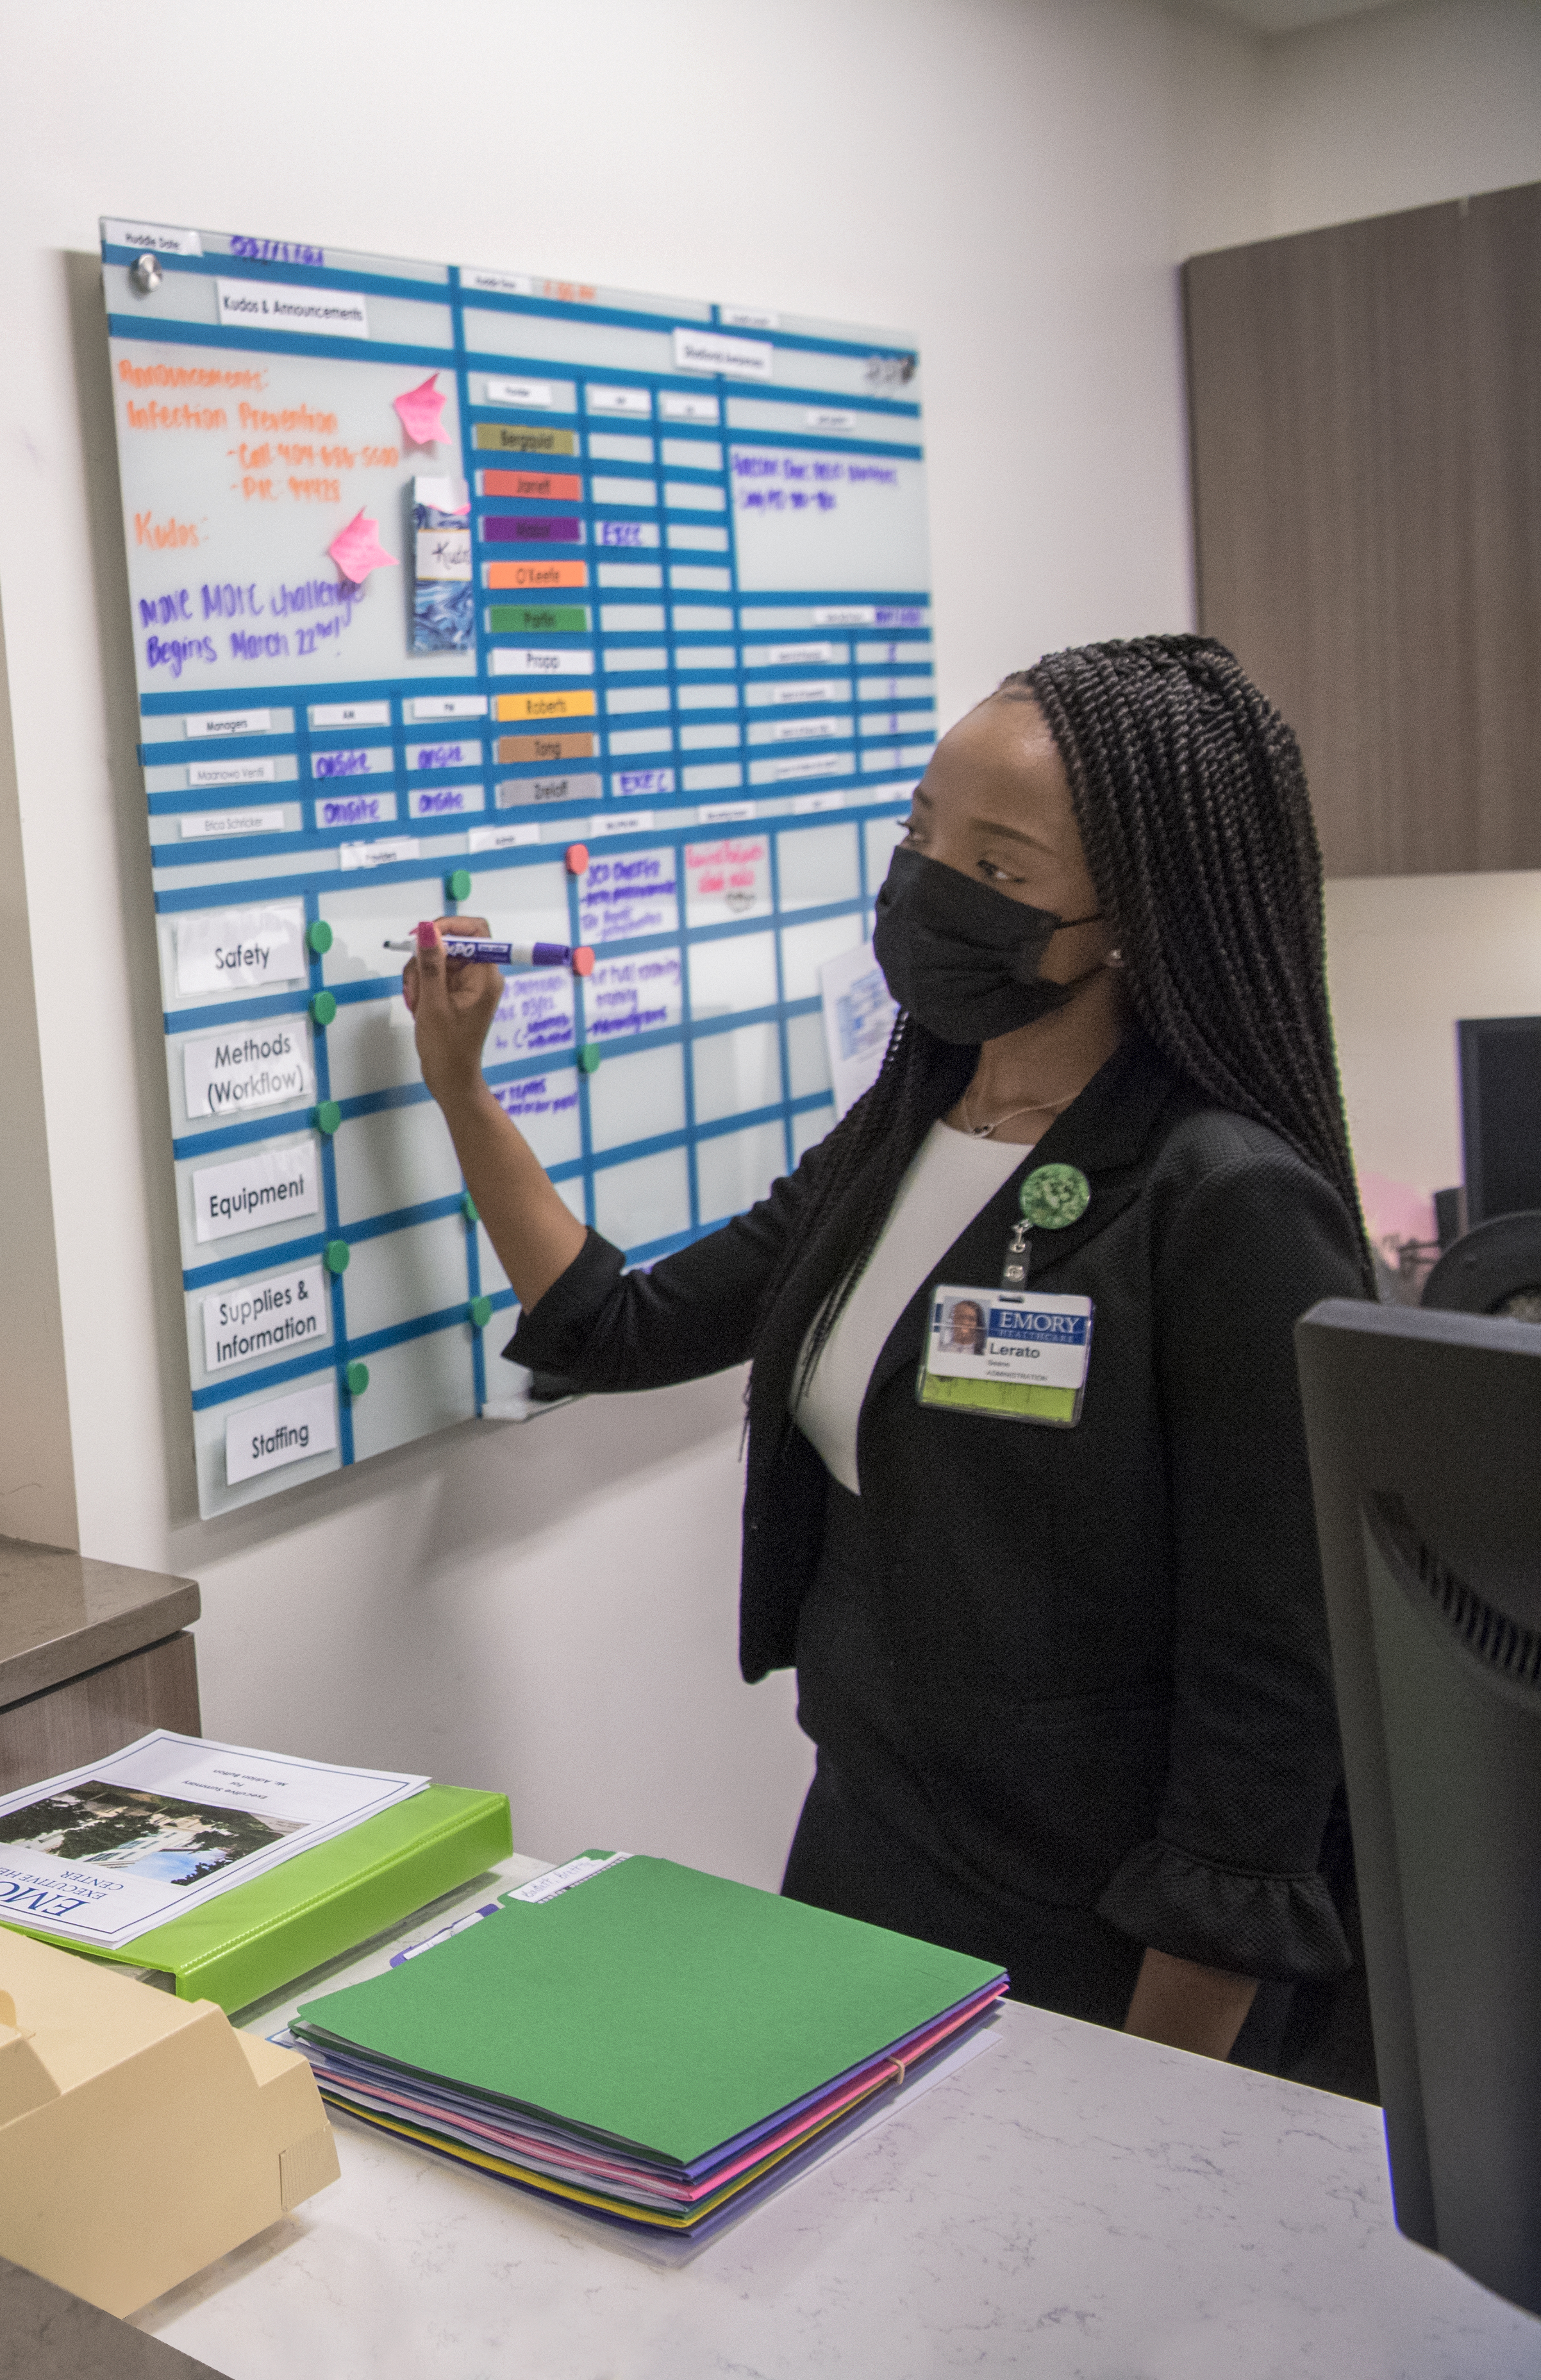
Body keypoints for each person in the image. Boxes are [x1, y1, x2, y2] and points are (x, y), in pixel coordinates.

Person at [403, 634, 1369, 2072]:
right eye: (921, 831)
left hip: (1099, 1930)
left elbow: (1271, 1692)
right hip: (868, 1856)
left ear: (1127, 918)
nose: (930, 885)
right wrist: (461, 1090)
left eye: (999, 863)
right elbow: (624, 1327)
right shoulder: (906, 1133)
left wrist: (1170, 2071)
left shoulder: (1221, 1202)